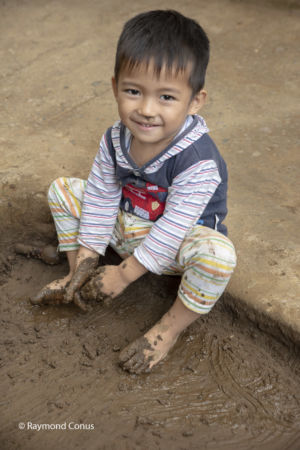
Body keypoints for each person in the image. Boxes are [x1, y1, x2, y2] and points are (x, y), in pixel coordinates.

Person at [32, 10, 237, 374]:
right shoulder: (115, 138)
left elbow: (174, 227)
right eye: (133, 91)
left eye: (166, 98)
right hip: (130, 227)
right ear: (115, 87)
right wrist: (89, 257)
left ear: (195, 102)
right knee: (64, 190)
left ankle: (167, 330)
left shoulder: (198, 159)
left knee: (218, 257)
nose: (145, 110)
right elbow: (100, 195)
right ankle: (79, 279)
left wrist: (124, 275)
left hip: (176, 243)